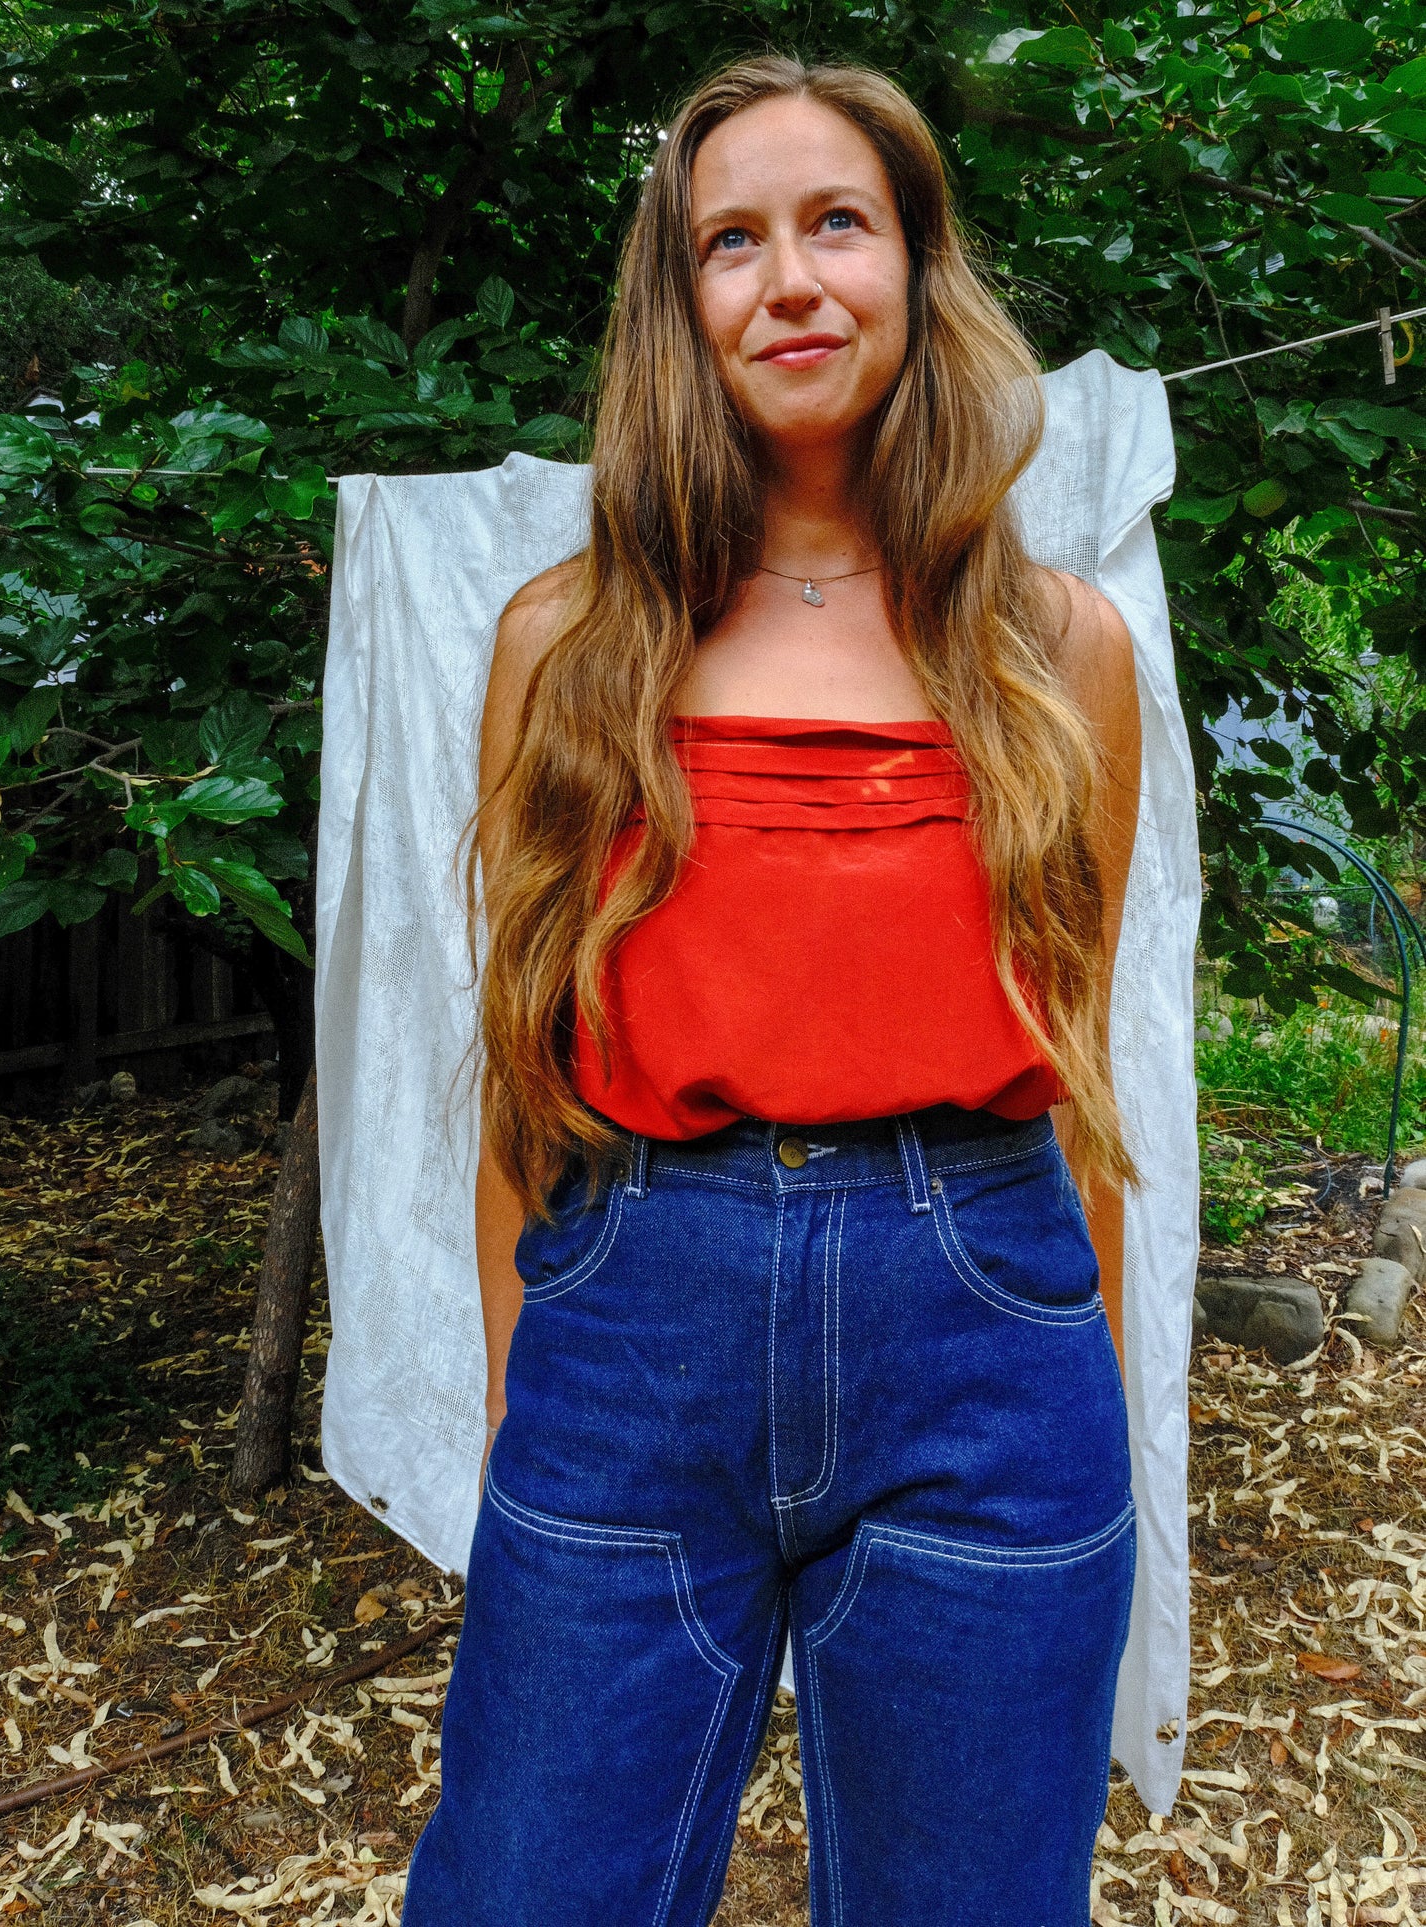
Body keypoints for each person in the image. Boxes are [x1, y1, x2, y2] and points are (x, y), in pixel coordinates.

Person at [401, 53, 1143, 1927]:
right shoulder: (565, 644)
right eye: (732, 241)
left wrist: (1097, 1398)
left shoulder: (1058, 651)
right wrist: (522, 1383)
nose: (788, 280)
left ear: (916, 263)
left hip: (981, 1320)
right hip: (633, 1311)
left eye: (837, 224)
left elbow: (1076, 1060)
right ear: (680, 303)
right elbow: (521, 1069)